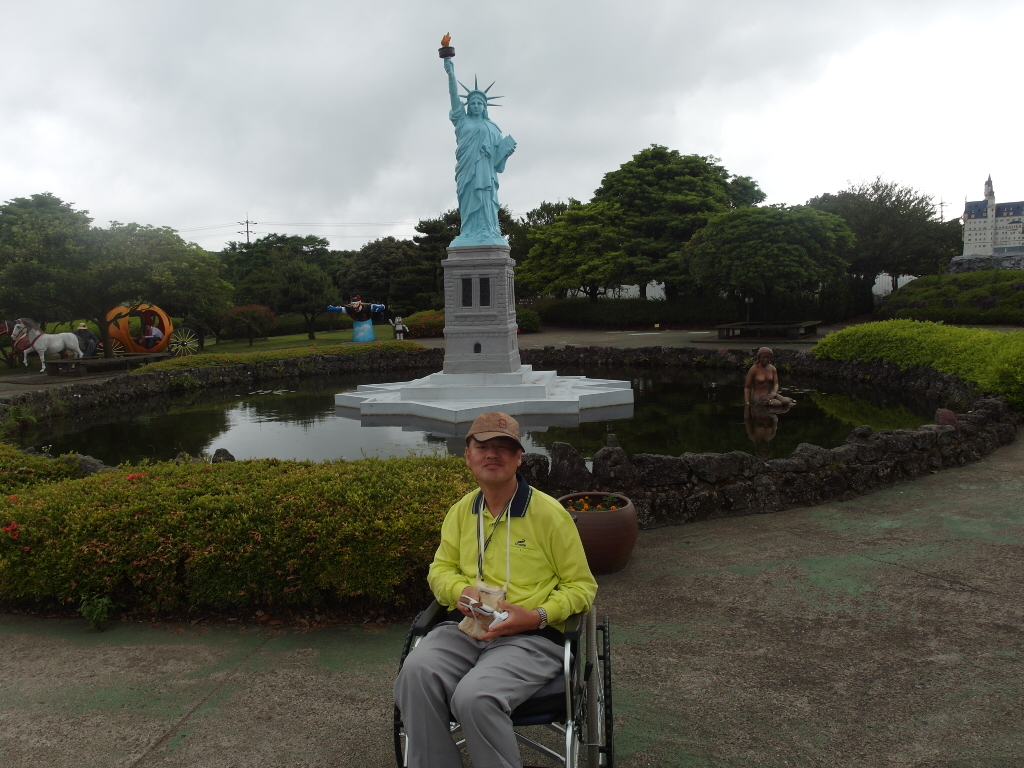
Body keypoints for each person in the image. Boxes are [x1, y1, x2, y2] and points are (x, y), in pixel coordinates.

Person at [394, 412, 597, 768]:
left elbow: (582, 587)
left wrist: (536, 616)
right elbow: (439, 570)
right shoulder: (461, 512)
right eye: (483, 446)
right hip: (466, 628)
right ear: (468, 455)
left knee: (475, 697)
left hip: (530, 638)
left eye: (504, 447)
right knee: (414, 673)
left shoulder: (550, 515)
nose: (492, 454)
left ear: (519, 457)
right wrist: (460, 591)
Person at [443, 47, 516, 246]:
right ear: (468, 106)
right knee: (467, 200)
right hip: (467, 169)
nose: (476, 106)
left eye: (479, 104)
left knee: (486, 199)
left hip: (485, 171)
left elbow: (497, 163)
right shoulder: (462, 121)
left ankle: (488, 231)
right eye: (473, 103)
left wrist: (506, 153)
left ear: (484, 107)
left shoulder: (493, 128)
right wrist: (450, 72)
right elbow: (453, 95)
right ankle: (468, 232)